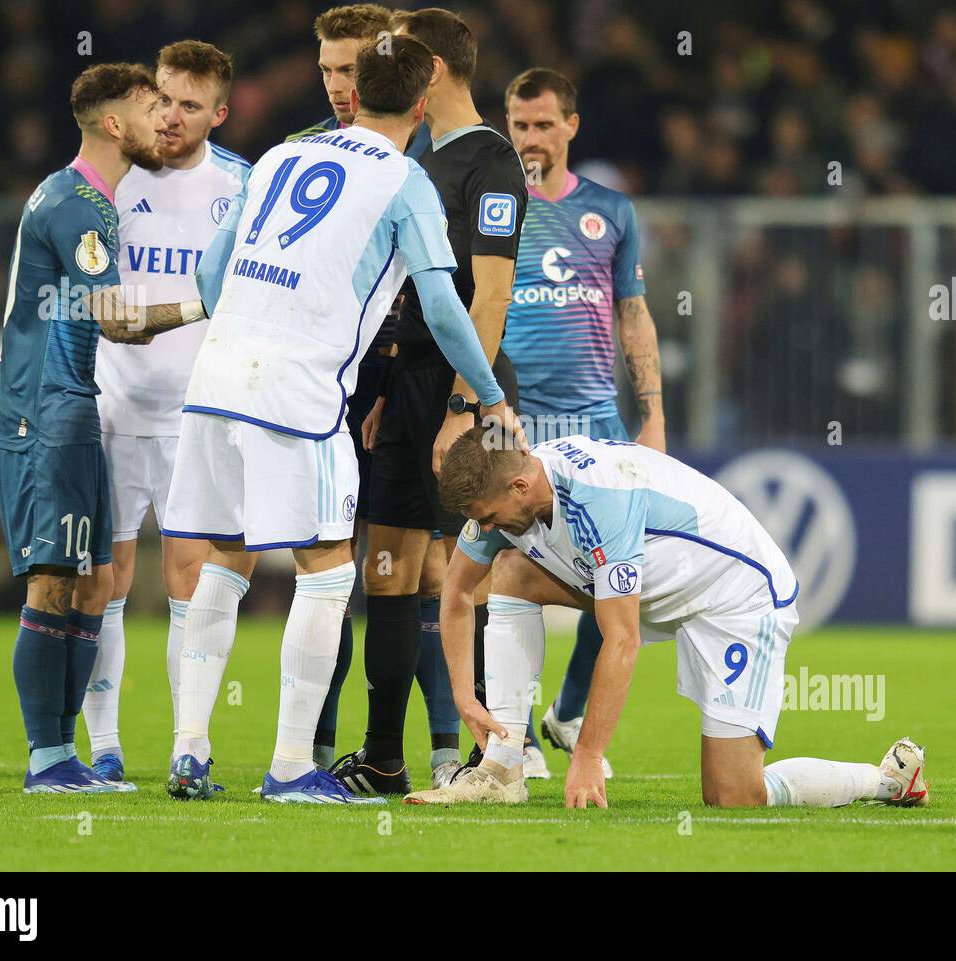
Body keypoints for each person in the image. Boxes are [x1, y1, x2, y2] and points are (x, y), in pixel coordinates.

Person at [160, 35, 524, 805]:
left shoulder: (276, 159)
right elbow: (445, 307)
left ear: (354, 94)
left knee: (223, 558)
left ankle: (190, 748)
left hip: (216, 378)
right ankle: (293, 765)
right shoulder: (406, 181)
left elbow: (208, 272)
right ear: (422, 105)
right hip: (296, 389)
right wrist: (488, 397)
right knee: (326, 569)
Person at [405, 428, 930, 810]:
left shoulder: (597, 500)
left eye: (489, 516)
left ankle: (885, 780)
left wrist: (588, 754)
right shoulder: (512, 489)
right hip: (653, 584)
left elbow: (621, 639)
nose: (484, 526)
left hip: (735, 595)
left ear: (519, 488)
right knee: (513, 569)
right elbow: (455, 591)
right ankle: (502, 768)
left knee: (733, 795)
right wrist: (465, 698)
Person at [0, 63, 212, 793]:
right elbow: (116, 321)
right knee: (53, 582)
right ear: (114, 124)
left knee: (92, 581)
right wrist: (205, 303)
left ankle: (67, 758)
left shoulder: (85, 197)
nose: (165, 122)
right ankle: (47, 755)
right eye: (153, 109)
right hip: (43, 410)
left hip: (73, 405)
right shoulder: (82, 205)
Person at [331, 7, 527, 796]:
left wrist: (455, 404)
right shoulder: (417, 157)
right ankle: (387, 754)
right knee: (393, 569)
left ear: (433, 71)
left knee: (469, 573)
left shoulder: (490, 162)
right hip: (405, 382)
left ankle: (491, 757)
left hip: (456, 392)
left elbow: (490, 296)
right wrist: (388, 378)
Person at [282, 3, 452, 779]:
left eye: (351, 69)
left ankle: (430, 748)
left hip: (404, 374)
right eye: (325, 70)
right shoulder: (293, 155)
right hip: (325, 381)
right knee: (323, 568)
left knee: (412, 569)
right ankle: (314, 748)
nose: (338, 85)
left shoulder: (428, 162)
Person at [82, 40, 249, 785]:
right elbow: (93, 300)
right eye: (164, 100)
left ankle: (190, 745)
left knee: (191, 580)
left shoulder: (245, 187)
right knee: (104, 582)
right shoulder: (108, 183)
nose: (172, 116)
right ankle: (107, 748)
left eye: (190, 104)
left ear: (219, 112)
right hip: (112, 408)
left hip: (199, 416)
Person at [501, 67, 667, 779]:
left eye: (544, 124)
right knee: (497, 575)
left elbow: (634, 314)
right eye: (519, 125)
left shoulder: (613, 212)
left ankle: (567, 714)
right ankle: (511, 736)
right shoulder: (493, 208)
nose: (531, 138)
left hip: (595, 424)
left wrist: (653, 415)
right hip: (512, 422)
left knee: (620, 575)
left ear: (571, 126)